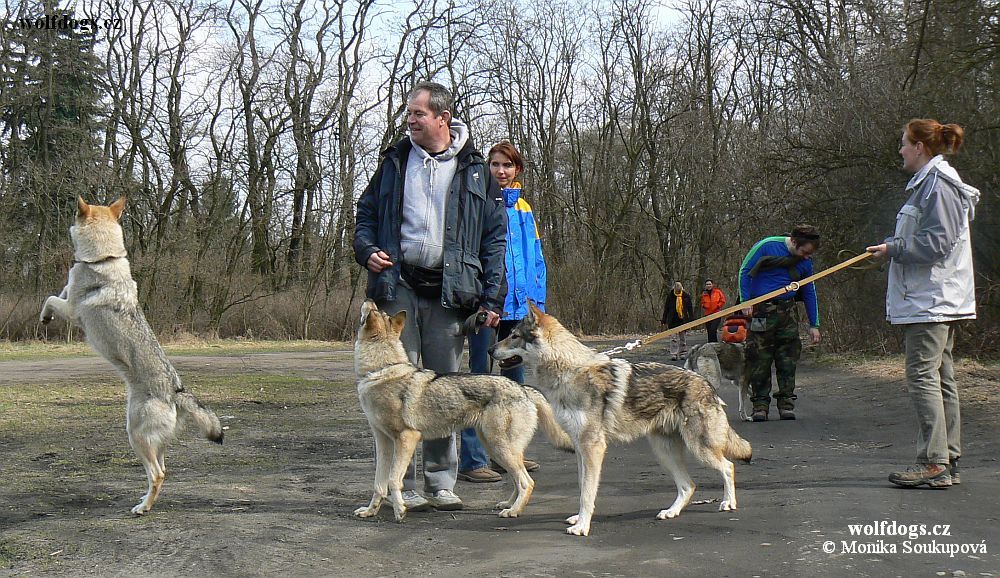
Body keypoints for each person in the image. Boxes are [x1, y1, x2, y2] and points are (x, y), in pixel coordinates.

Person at [353, 81, 507, 511]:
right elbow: (365, 213)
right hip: (397, 283)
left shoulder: (476, 169)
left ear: (442, 118)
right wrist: (367, 251)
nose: (410, 120)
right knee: (392, 389)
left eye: (418, 113)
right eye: (409, 113)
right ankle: (396, 487)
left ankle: (440, 484)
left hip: (450, 290)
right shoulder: (394, 161)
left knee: (442, 389)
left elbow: (495, 240)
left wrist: (491, 300)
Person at [867, 119, 979, 489]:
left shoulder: (939, 186)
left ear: (919, 147)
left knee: (923, 377)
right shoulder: (928, 185)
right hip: (933, 299)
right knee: (940, 377)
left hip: (932, 301)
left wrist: (893, 249)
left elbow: (937, 243)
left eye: (903, 143)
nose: (900, 150)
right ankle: (946, 458)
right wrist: (890, 247)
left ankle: (934, 462)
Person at [459, 141, 545, 483]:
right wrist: (481, 298)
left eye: (507, 165)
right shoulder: (478, 203)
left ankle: (510, 455)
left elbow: (535, 260)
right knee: (479, 379)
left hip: (518, 309)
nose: (500, 171)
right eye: (494, 164)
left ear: (517, 170)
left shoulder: (524, 209)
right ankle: (473, 460)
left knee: (515, 384)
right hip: (487, 304)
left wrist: (536, 306)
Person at [738, 225, 822, 421]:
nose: (807, 257)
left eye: (810, 253)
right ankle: (760, 405)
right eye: (805, 252)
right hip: (761, 311)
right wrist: (745, 301)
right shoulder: (766, 246)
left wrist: (814, 324)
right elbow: (745, 271)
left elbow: (809, 291)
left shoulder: (805, 262)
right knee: (759, 358)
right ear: (794, 242)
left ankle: (786, 403)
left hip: (788, 312)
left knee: (788, 359)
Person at [661, 281, 693, 361]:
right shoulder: (670, 296)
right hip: (672, 320)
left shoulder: (686, 296)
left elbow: (690, 308)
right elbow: (666, 308)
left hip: (682, 319)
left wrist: (691, 319)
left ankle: (682, 353)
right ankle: (674, 354)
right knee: (673, 338)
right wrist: (664, 319)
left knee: (682, 338)